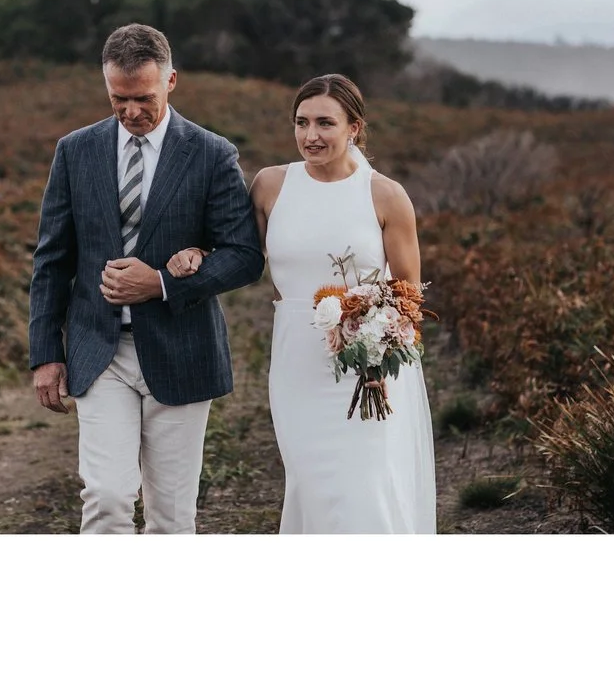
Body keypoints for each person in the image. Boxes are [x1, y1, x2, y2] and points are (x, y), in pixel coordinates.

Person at [167, 74, 436, 533]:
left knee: (363, 483)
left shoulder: (386, 195)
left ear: (354, 127)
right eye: (302, 122)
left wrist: (376, 350)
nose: (311, 135)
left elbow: (409, 295)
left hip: (365, 367)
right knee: (312, 481)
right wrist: (198, 254)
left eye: (325, 123)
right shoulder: (272, 185)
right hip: (296, 359)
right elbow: (242, 253)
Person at [26, 23, 265, 534]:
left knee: (172, 516)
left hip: (182, 349)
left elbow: (244, 255)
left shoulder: (211, 153)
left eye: (143, 99)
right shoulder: (75, 151)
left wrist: (161, 283)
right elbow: (52, 258)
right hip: (98, 350)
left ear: (171, 81)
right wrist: (46, 354)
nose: (131, 111)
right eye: (119, 99)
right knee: (107, 497)